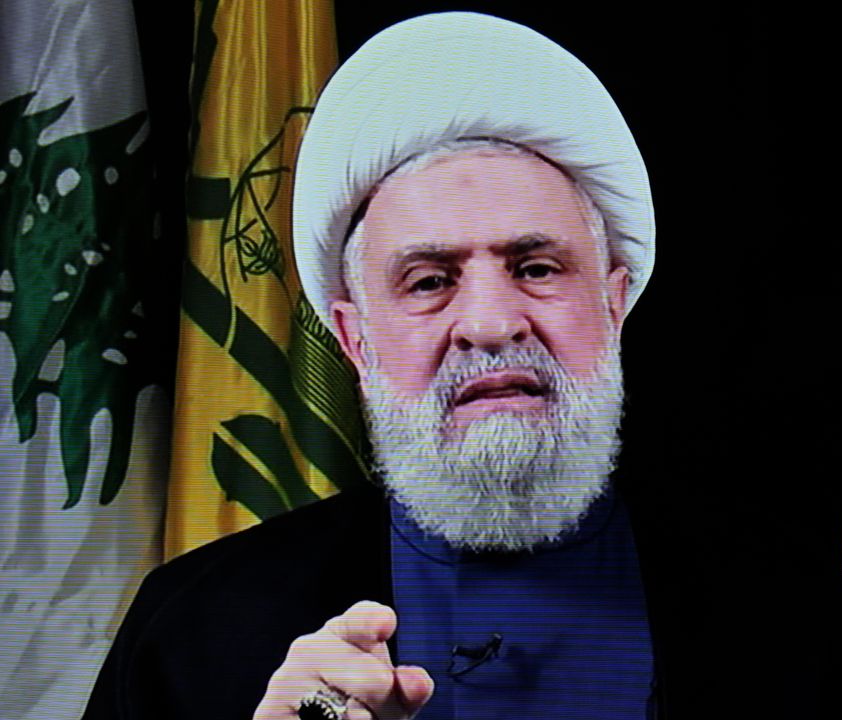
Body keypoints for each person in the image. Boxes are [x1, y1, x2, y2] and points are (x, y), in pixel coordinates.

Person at [85, 13, 661, 719]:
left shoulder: (770, 589)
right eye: (429, 282)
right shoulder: (190, 629)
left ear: (612, 303)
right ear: (355, 341)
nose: (488, 325)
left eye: (536, 268)